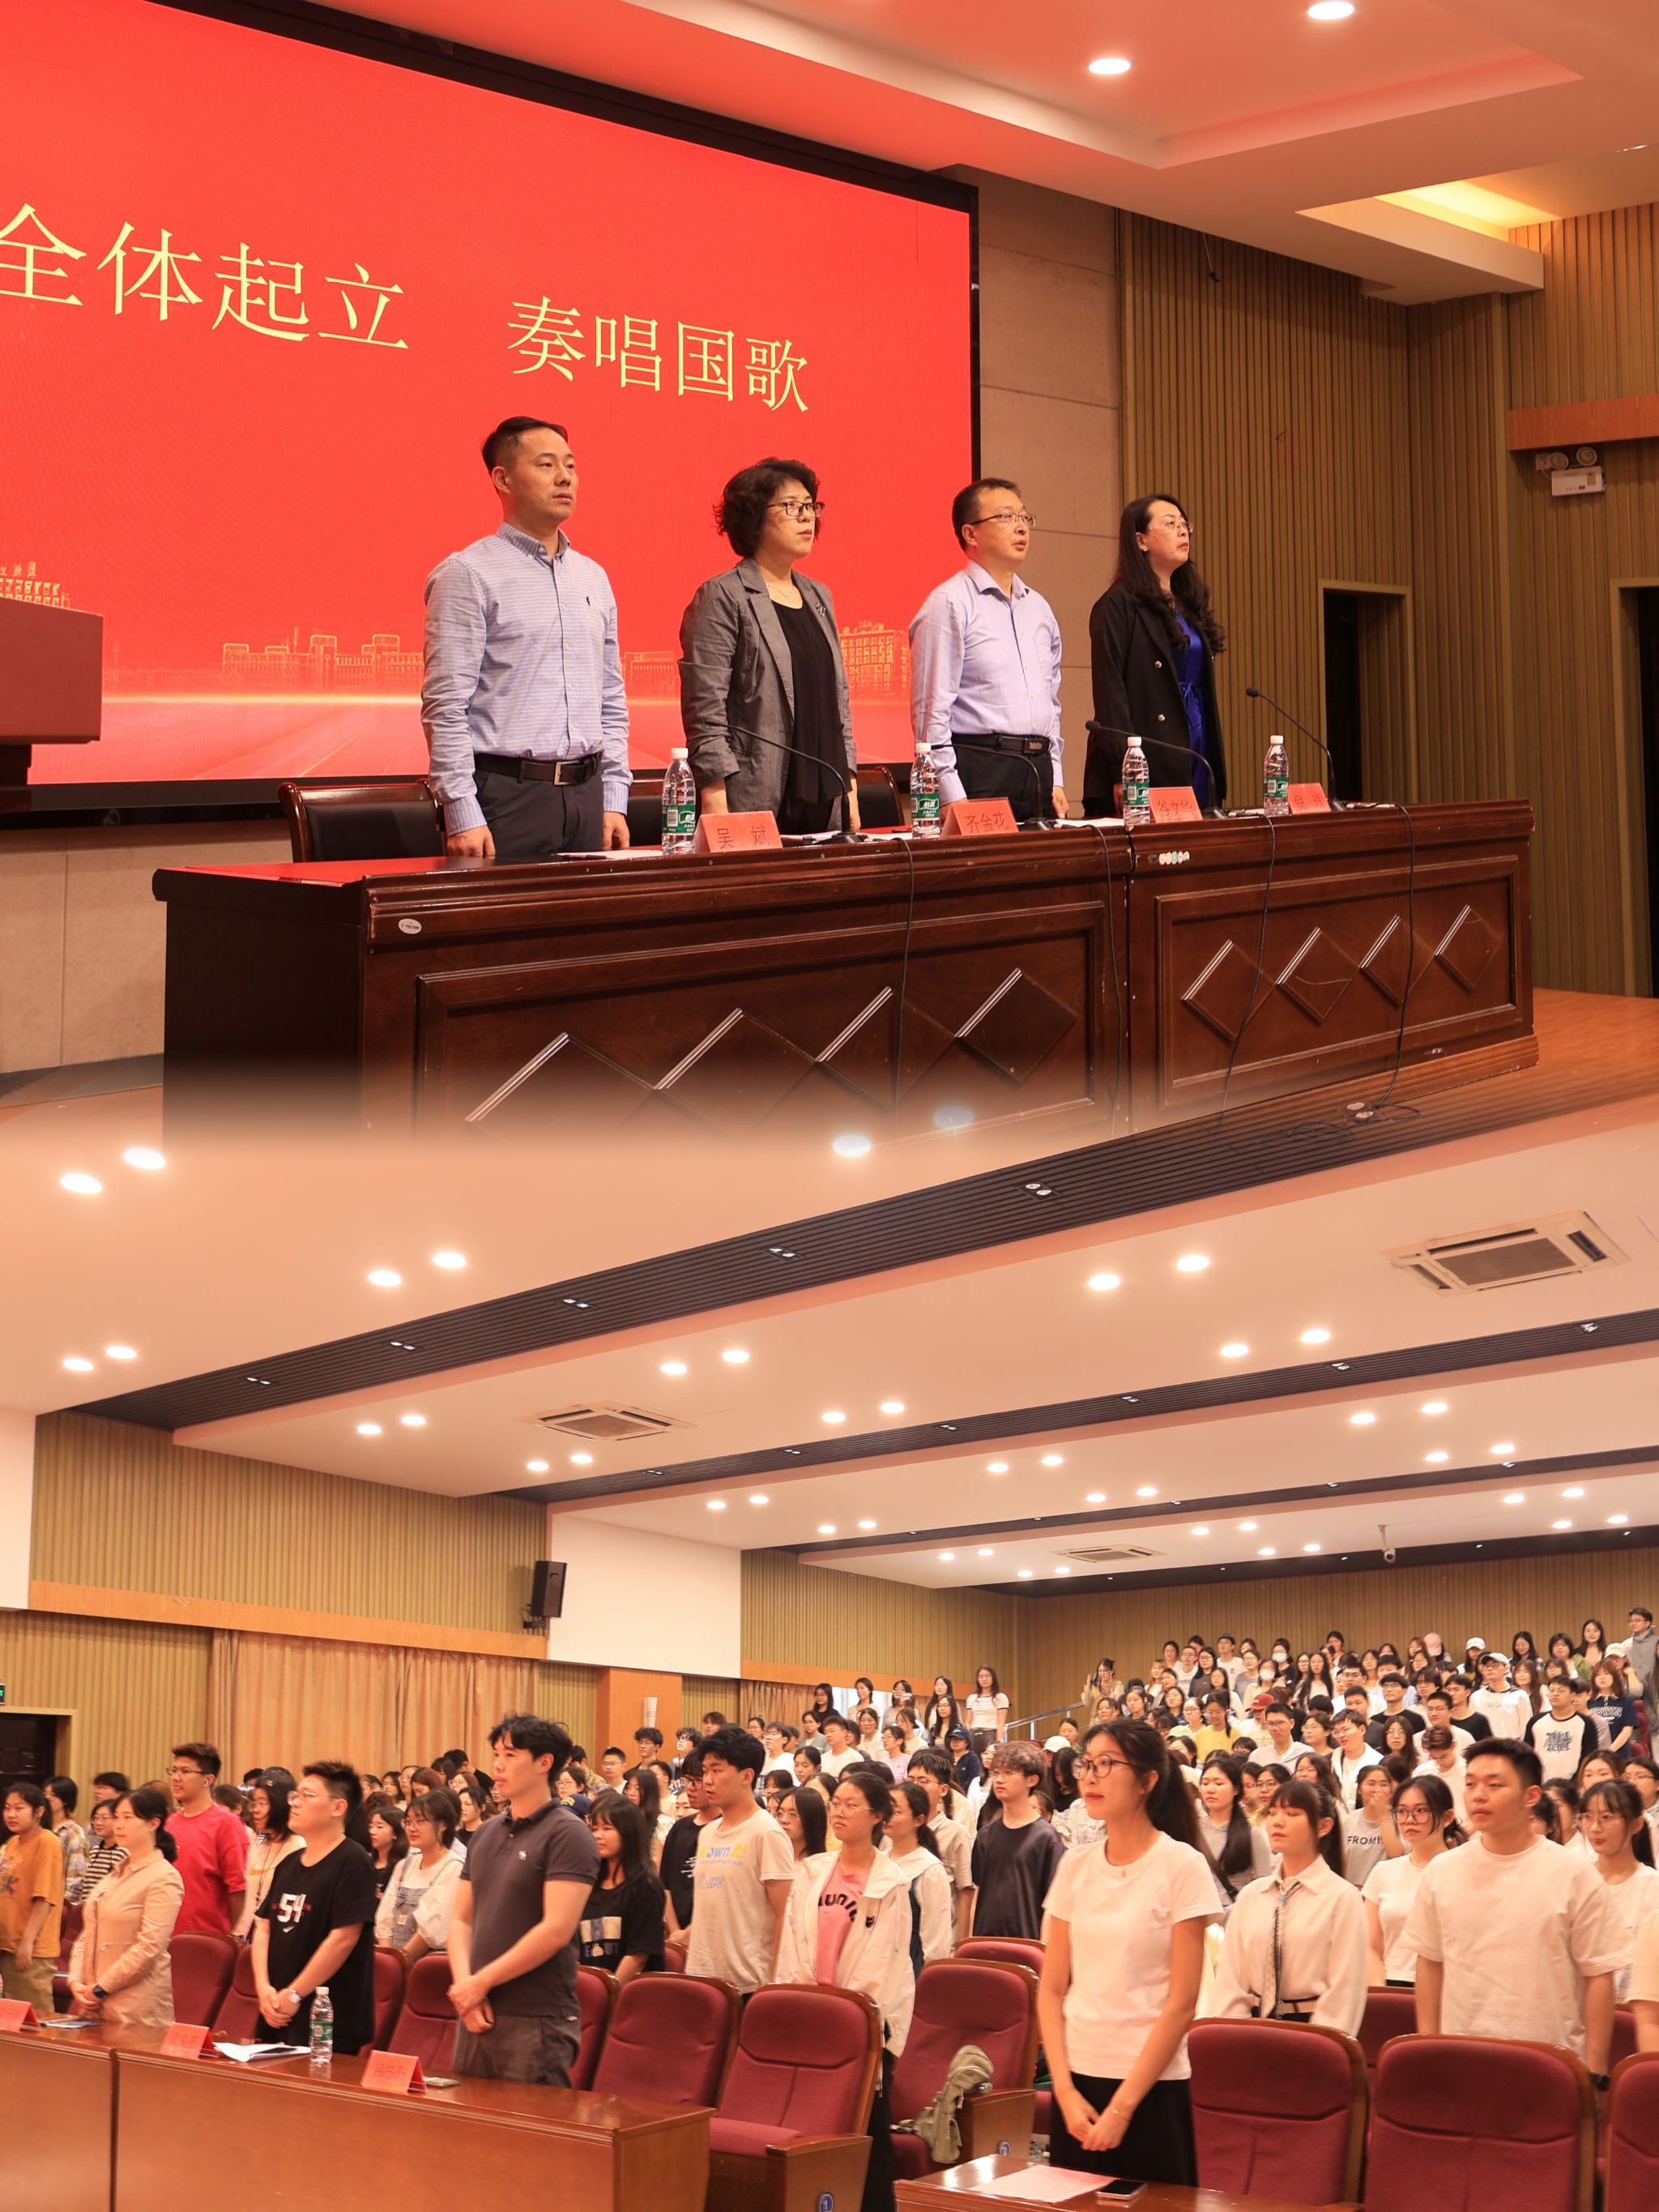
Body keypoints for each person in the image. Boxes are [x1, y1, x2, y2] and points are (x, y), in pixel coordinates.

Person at [421, 416, 630, 860]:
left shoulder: (593, 577)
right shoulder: (468, 574)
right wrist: (461, 810)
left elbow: (611, 698)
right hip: (506, 799)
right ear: (503, 479)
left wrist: (613, 797)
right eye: (546, 465)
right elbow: (446, 705)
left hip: (589, 796)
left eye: (571, 466)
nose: (564, 477)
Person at [1039, 1720, 1217, 2184]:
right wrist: (1064, 2090)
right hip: (1077, 2085)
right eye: (1086, 1764)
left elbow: (1182, 2003)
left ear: (1147, 1781)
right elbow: (1052, 1989)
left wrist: (1122, 2108)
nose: (1090, 1777)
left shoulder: (1181, 1865)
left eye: (1106, 1764)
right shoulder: (1075, 1863)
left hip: (1151, 2087)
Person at [1406, 1740, 1625, 2072]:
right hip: (1461, 2053)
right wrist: (1429, 2046)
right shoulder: (1442, 1870)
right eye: (1471, 1784)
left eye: (1494, 1785)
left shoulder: (1574, 1872)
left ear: (1531, 1796)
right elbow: (1429, 1962)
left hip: (1551, 2059)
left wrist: (1595, 2070)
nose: (1478, 1795)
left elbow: (1598, 1975)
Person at [679, 458, 860, 835]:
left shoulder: (818, 596)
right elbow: (706, 713)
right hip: (752, 800)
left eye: (810, 506)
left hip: (827, 800)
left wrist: (851, 791)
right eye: (792, 506)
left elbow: (838, 703)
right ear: (754, 518)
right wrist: (716, 803)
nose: (807, 516)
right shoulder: (723, 595)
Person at [777, 1769, 916, 2211]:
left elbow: (884, 1963)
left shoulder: (891, 1882)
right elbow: (793, 1944)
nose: (839, 1812)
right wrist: (799, 2003)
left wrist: (849, 2015)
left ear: (877, 1816)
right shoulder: (812, 1871)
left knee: (864, 2126)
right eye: (835, 1803)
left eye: (851, 1805)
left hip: (860, 2023)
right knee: (812, 2124)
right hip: (810, 2013)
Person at [446, 1714, 598, 2083]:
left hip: (536, 2015)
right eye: (497, 1754)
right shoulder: (485, 1833)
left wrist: (480, 1983)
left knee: (528, 2120)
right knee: (465, 2117)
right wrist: (467, 1988)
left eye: (511, 1755)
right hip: (475, 2008)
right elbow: (461, 1919)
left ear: (545, 1762)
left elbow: (556, 1930)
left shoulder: (568, 1833)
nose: (498, 1765)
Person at [910, 478, 1066, 824]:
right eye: (1007, 517)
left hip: (1038, 769)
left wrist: (1055, 773)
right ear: (971, 533)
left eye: (1025, 517)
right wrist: (950, 793)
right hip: (981, 769)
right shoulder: (949, 603)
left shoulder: (1039, 609)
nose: (1021, 527)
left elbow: (1051, 703)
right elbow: (930, 712)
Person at [1085, 494, 1227, 813]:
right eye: (1170, 524)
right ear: (1141, 541)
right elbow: (1110, 693)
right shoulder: (1118, 604)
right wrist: (1124, 767)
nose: (1182, 531)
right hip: (1148, 750)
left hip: (1195, 733)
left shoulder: (1187, 603)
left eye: (1184, 524)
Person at [1209, 1780, 1367, 2032]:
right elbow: (1230, 1980)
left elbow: (1345, 1990)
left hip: (1313, 2030)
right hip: (1250, 2027)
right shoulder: (1252, 1895)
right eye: (1272, 1813)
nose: (1277, 1822)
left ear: (1323, 1826)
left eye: (1292, 1814)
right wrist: (1234, 2032)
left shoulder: (1342, 1898)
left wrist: (1320, 2042)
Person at [252, 1761, 377, 2054]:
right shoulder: (289, 1864)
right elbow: (264, 1926)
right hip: (277, 2007)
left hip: (326, 2016)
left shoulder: (354, 1862)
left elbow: (343, 1938)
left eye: (307, 1795)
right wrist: (263, 1988)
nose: (294, 1803)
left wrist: (295, 1994)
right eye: (295, 1795)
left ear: (338, 1807)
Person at [686, 1724, 794, 1995]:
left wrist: (773, 1982)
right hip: (701, 1976)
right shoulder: (708, 1833)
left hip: (747, 1984)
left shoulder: (766, 1833)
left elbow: (785, 1915)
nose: (707, 1780)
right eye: (705, 1771)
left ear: (747, 1776)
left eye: (717, 1770)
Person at [65, 1786, 184, 2028]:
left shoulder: (164, 1876)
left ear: (153, 1824)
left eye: (128, 1818)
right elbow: (88, 1934)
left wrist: (102, 1988)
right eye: (117, 1817)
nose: (118, 1825)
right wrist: (75, 1981)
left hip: (134, 2004)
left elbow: (149, 1946)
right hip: (92, 1998)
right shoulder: (117, 1872)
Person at [1363, 1773, 1460, 1988]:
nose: (1409, 1820)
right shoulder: (1383, 1872)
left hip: (1447, 1987)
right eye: (1402, 1811)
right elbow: (1371, 1946)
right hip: (1389, 1985)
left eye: (1421, 1811)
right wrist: (1380, 1990)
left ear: (1447, 1817)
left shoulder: (1462, 1871)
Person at [970, 1744, 1066, 1940]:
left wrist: (1044, 1949)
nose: (999, 1779)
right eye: (996, 1773)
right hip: (985, 1943)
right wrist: (970, 1942)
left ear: (1032, 1780)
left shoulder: (1047, 1838)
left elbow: (1053, 1904)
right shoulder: (986, 1835)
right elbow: (977, 1893)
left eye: (1009, 1773)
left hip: (1027, 1944)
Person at [1579, 1779, 1659, 1999]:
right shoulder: (1577, 1881)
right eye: (1587, 1817)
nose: (1595, 1827)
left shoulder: (1652, 1887)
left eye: (1607, 1817)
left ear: (1636, 1824)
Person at [580, 1791, 665, 1984]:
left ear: (628, 1833)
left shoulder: (646, 1888)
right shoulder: (589, 1883)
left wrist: (609, 1993)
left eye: (607, 1828)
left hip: (629, 1991)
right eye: (594, 1829)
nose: (598, 1835)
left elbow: (638, 1956)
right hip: (590, 1987)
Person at [163, 1742, 248, 1937]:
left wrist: (223, 1934)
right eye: (174, 1770)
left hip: (206, 1938)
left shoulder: (226, 1824)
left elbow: (237, 1889)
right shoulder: (170, 1823)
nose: (176, 1777)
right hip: (166, 1935)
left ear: (208, 1780)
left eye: (185, 1771)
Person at [375, 1789, 462, 1967]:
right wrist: (389, 1961)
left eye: (420, 1821)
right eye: (408, 1822)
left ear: (443, 1824)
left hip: (427, 1965)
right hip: (394, 1962)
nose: (412, 1828)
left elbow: (431, 1930)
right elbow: (385, 1918)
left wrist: (400, 1961)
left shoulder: (453, 1867)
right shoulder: (404, 1866)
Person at [0, 1781, 65, 2011]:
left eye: (19, 1808)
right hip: (7, 1942)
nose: (11, 1814)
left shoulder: (47, 1842)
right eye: (7, 1808)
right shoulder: (12, 1843)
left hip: (31, 1947)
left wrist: (27, 1942)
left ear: (39, 1811)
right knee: (11, 2017)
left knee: (34, 2015)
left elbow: (45, 1897)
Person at [906, 1749, 975, 1946]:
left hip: (941, 1940)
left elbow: (965, 1891)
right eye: (910, 1780)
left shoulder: (956, 1833)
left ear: (943, 1790)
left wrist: (961, 1945)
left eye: (924, 1781)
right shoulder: (895, 1831)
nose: (915, 1787)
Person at [885, 1783, 954, 1970]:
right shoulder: (879, 1861)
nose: (887, 1816)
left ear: (918, 1820)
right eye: (886, 1809)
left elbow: (937, 1936)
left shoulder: (930, 1869)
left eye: (896, 1811)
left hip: (910, 1962)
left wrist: (930, 1973)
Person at [1195, 1756, 1273, 1910]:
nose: (1210, 1789)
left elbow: (1265, 1887)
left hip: (1236, 1914)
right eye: (1205, 1783)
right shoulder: (1192, 1830)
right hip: (1198, 1913)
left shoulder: (1251, 1833)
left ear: (1236, 1789)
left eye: (1219, 1783)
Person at [661, 1749, 716, 1955]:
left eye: (697, 1781)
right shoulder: (679, 1828)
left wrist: (690, 1932)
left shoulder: (725, 1828)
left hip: (712, 1934)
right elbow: (665, 1885)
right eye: (687, 1780)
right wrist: (677, 1933)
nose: (690, 1788)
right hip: (676, 1934)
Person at [237, 1775, 303, 1938]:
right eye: (254, 1803)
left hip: (276, 1934)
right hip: (247, 1932)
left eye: (263, 1803)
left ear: (281, 1806)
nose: (255, 1810)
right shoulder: (258, 1844)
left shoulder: (298, 1847)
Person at [1344, 1765, 1405, 1889]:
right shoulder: (1348, 1821)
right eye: (1371, 1784)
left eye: (1383, 1784)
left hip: (1385, 1891)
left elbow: (1397, 1855)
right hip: (1351, 1890)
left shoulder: (1401, 1819)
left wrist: (1384, 1817)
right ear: (1359, 1789)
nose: (1378, 1789)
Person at [1527, 1672, 1596, 1781]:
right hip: (1540, 1782)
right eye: (1552, 1690)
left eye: (1561, 1691)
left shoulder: (1585, 1723)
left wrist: (1575, 1782)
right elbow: (1527, 1755)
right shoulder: (1535, 1722)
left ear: (1572, 1696)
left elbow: (1589, 1758)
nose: (1555, 1694)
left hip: (1572, 1784)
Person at [44, 1776, 87, 1907]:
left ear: (66, 1800)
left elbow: (76, 1878)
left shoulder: (73, 1833)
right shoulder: (38, 1828)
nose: (47, 1798)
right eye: (45, 1794)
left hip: (57, 1905)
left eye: (53, 1795)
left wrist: (62, 1907)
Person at [1588, 1659, 1641, 1756]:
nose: (1602, 1677)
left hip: (1620, 1754)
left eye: (1606, 1673)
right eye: (1598, 1675)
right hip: (1594, 1755)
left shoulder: (1626, 1699)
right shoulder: (1589, 1701)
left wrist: (1610, 1751)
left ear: (1614, 1676)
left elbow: (1627, 1730)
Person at [365, 1796, 409, 1899]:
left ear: (396, 1833)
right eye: (371, 1826)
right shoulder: (365, 1863)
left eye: (380, 1827)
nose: (372, 1832)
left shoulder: (402, 1867)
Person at [82, 1796, 125, 1892]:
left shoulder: (124, 1852)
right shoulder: (94, 1850)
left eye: (105, 1818)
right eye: (96, 1818)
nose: (98, 1823)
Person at [777, 1785, 830, 1861]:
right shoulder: (772, 1858)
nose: (783, 1820)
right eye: (780, 1813)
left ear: (812, 1818)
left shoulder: (824, 1864)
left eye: (793, 1814)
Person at [964, 1666, 1010, 1749]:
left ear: (993, 1678)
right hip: (973, 1735)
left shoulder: (1000, 1697)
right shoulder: (972, 1698)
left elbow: (1001, 1723)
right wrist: (966, 1738)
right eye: (981, 1677)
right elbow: (968, 1722)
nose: (984, 1679)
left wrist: (998, 1743)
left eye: (987, 1676)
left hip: (990, 1734)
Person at [820, 1713, 864, 1781]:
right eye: (826, 1732)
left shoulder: (856, 1757)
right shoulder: (823, 1758)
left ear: (845, 1733)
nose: (828, 1735)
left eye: (832, 1731)